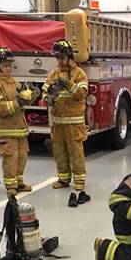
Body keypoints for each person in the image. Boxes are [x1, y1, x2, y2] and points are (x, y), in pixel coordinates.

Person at [43, 39, 90, 207]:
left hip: (74, 122)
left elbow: (81, 93)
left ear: (70, 57)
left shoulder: (79, 74)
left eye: (62, 57)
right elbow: (44, 94)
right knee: (59, 152)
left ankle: (79, 181)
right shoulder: (53, 74)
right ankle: (63, 179)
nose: (60, 61)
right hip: (58, 123)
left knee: (76, 152)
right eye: (58, 58)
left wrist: (68, 84)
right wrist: (49, 96)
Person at [0, 47, 35, 197]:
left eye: (9, 65)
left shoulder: (13, 82)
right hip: (5, 129)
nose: (8, 68)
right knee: (10, 158)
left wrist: (30, 95)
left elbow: (23, 100)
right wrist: (18, 102)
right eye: (4, 65)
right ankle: (10, 186)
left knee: (22, 156)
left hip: (20, 127)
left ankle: (19, 182)